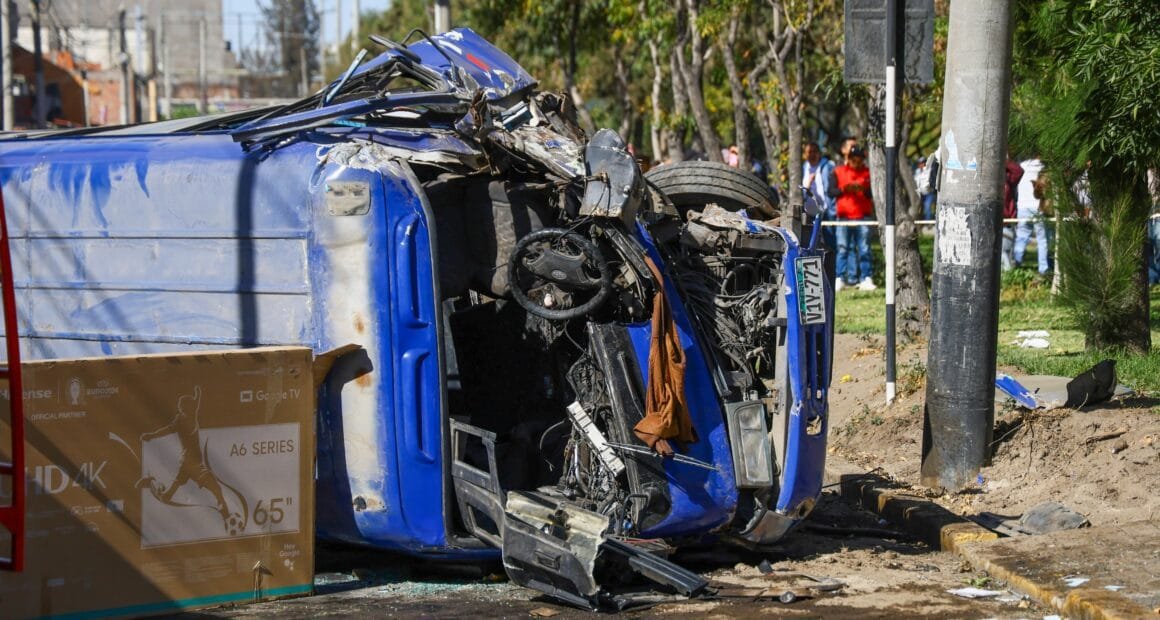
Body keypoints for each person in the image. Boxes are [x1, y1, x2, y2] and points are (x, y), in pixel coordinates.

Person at [831, 145, 876, 291]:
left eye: (859, 159)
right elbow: (830, 191)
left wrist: (863, 189)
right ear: (848, 159)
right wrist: (844, 189)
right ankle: (840, 278)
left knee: (864, 248)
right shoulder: (838, 171)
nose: (856, 162)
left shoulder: (868, 173)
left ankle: (866, 277)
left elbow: (873, 194)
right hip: (844, 216)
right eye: (854, 159)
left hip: (862, 216)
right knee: (843, 248)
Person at [1013, 157, 1050, 275]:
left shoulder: (1022, 165)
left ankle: (1017, 265)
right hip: (1038, 207)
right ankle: (1043, 270)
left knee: (1021, 237)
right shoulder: (1044, 168)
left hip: (1023, 206)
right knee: (1042, 240)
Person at [802, 141, 838, 251]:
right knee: (812, 244)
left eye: (814, 152)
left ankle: (833, 266)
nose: (812, 155)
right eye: (809, 152)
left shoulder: (827, 166)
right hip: (809, 212)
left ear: (819, 153)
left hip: (825, 211)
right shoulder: (803, 167)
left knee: (831, 241)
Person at [1002, 157, 1025, 271]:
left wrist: (1004, 160)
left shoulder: (1008, 178)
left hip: (1007, 223)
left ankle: (1008, 277)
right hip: (991, 223)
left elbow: (1019, 171)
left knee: (1006, 252)